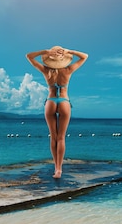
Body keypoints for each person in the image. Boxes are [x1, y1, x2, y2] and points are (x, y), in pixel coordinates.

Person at [26, 46, 88, 178]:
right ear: (64, 59)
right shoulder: (68, 70)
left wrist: (45, 52)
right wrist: (70, 51)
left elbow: (29, 56)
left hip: (51, 101)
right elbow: (85, 56)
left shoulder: (45, 70)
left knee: (53, 137)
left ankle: (56, 168)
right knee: (61, 138)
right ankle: (60, 169)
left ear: (50, 59)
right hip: (64, 101)